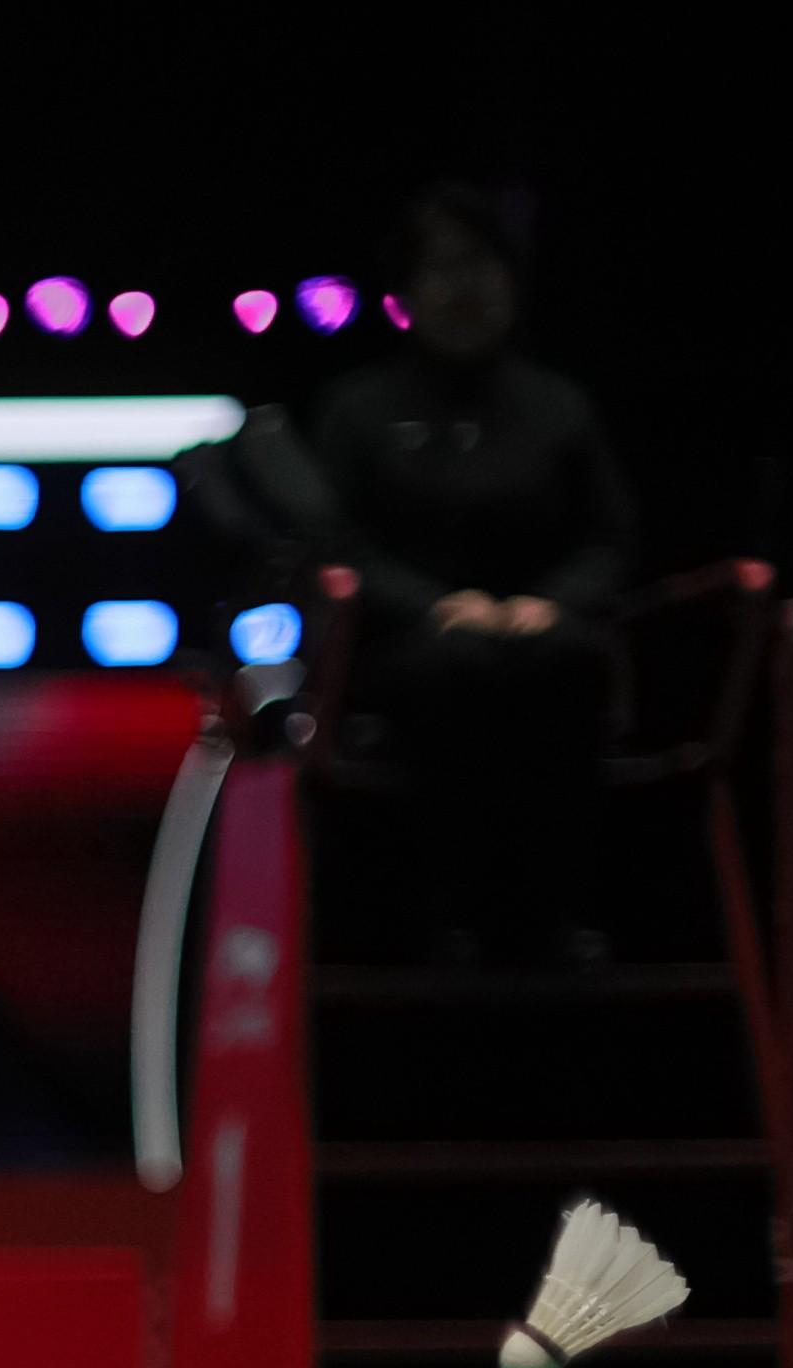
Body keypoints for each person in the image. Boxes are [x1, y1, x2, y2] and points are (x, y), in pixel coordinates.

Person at [311, 184, 635, 961]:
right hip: (406, 647)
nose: (467, 288)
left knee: (564, 663)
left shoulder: (560, 406)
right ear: (404, 293)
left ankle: (556, 912)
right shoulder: (357, 410)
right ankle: (450, 914)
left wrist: (551, 603)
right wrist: (435, 604)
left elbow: (610, 541)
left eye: (484, 266)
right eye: (445, 267)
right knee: (457, 669)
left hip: (540, 633)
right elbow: (336, 546)